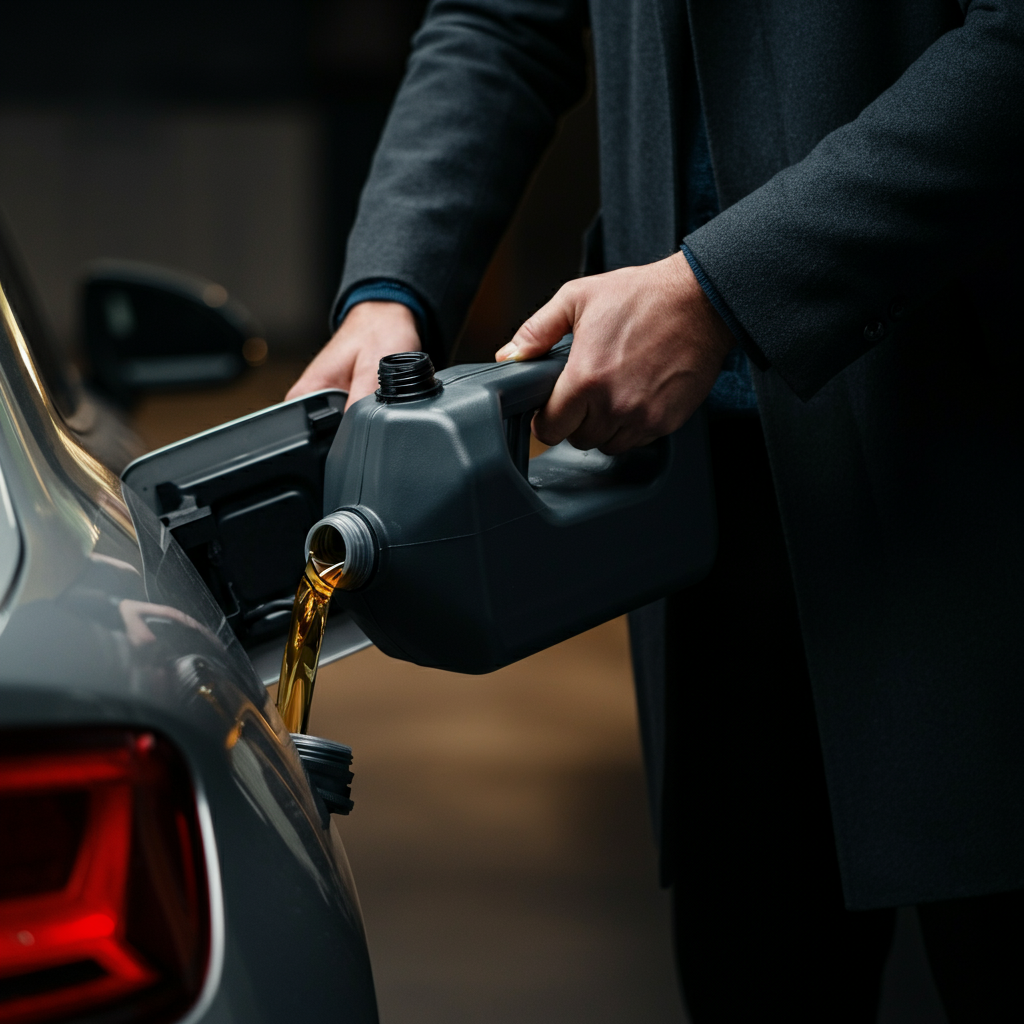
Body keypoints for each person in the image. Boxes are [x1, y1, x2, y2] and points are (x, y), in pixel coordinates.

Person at [289, 2, 1023, 1019]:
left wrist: (726, 287)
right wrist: (390, 288)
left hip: (973, 474)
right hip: (707, 516)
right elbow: (499, 20)